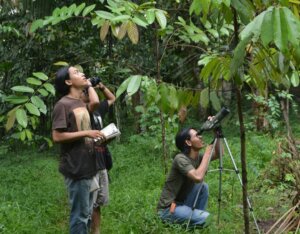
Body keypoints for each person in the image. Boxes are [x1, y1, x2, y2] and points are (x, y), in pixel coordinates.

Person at [52, 66, 105, 234]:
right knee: (80, 216)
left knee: (87, 213)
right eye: (76, 73)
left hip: (89, 166)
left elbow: (95, 103)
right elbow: (57, 136)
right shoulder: (62, 105)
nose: (82, 74)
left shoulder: (80, 102)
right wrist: (87, 133)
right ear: (68, 82)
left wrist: (88, 86)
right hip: (76, 167)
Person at [157, 125, 222, 228]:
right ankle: (197, 220)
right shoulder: (180, 158)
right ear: (188, 142)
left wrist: (217, 132)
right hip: (168, 209)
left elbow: (219, 153)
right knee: (206, 218)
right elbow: (198, 177)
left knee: (203, 186)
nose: (200, 137)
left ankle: (195, 219)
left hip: (182, 203)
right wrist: (206, 154)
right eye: (197, 136)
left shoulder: (197, 157)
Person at [82, 81, 116, 234]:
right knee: (89, 202)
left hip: (101, 159)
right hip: (89, 162)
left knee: (98, 203)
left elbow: (111, 99)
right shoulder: (82, 111)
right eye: (85, 92)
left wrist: (101, 86)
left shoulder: (97, 111)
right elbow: (94, 101)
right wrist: (89, 85)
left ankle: (96, 231)